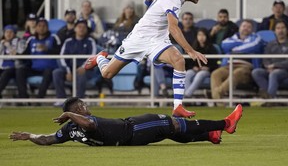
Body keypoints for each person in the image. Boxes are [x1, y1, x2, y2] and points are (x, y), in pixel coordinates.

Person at [85, 0, 208, 118]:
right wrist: (191, 51)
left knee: (178, 60)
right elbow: (173, 28)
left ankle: (178, 107)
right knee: (107, 74)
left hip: (157, 39)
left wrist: (149, 6)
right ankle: (100, 58)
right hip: (138, 38)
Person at [9, 97, 243, 146]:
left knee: (171, 133)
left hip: (132, 137)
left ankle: (209, 135)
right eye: (82, 105)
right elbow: (89, 125)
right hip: (133, 128)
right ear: (77, 109)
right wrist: (70, 115)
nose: (86, 107)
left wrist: (30, 136)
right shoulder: (81, 121)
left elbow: (48, 140)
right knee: (173, 124)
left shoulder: (69, 130)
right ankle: (225, 124)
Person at [210, 19, 263, 105]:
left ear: (252, 30)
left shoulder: (256, 38)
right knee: (215, 74)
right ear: (239, 28)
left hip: (245, 68)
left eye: (248, 27)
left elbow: (254, 46)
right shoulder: (232, 38)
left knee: (236, 73)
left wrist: (234, 49)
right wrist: (243, 44)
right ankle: (219, 103)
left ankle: (217, 96)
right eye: (244, 26)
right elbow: (224, 45)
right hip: (228, 66)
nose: (246, 28)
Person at [53, 19, 97, 102]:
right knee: (56, 73)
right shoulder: (68, 42)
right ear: (75, 29)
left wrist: (84, 67)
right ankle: (61, 100)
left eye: (84, 27)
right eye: (79, 27)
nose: (81, 29)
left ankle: (78, 101)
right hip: (69, 69)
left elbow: (93, 56)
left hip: (86, 70)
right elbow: (62, 57)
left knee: (81, 75)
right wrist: (68, 71)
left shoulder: (90, 41)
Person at [17, 18, 61, 98]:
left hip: (49, 69)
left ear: (47, 27)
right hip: (34, 68)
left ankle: (39, 99)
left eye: (44, 26)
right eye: (39, 26)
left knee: (48, 72)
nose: (41, 28)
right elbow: (25, 55)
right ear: (36, 28)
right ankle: (23, 99)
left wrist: (47, 49)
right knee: (20, 70)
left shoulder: (54, 38)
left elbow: (60, 52)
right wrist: (16, 54)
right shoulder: (31, 39)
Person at [252, 20, 288, 99]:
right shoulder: (270, 44)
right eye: (278, 28)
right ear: (274, 31)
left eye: (283, 28)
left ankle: (270, 100)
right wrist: (268, 67)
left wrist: (275, 66)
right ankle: (268, 95)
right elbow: (266, 58)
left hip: (285, 71)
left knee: (274, 74)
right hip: (271, 70)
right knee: (256, 72)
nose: (280, 30)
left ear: (286, 30)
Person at [184, 28, 219, 98]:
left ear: (207, 36)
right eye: (199, 35)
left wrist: (208, 68)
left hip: (206, 70)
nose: (201, 37)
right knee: (187, 74)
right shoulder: (193, 48)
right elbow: (188, 62)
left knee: (200, 74)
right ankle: (188, 97)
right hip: (194, 69)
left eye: (203, 35)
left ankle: (187, 96)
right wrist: (193, 67)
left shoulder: (212, 48)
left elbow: (215, 63)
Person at [0, 25, 25, 98]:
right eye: (7, 32)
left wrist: (8, 46)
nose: (8, 34)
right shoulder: (1, 42)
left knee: (6, 74)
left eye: (11, 32)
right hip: (1, 67)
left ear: (14, 34)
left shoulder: (20, 42)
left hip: (13, 67)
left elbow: (17, 55)